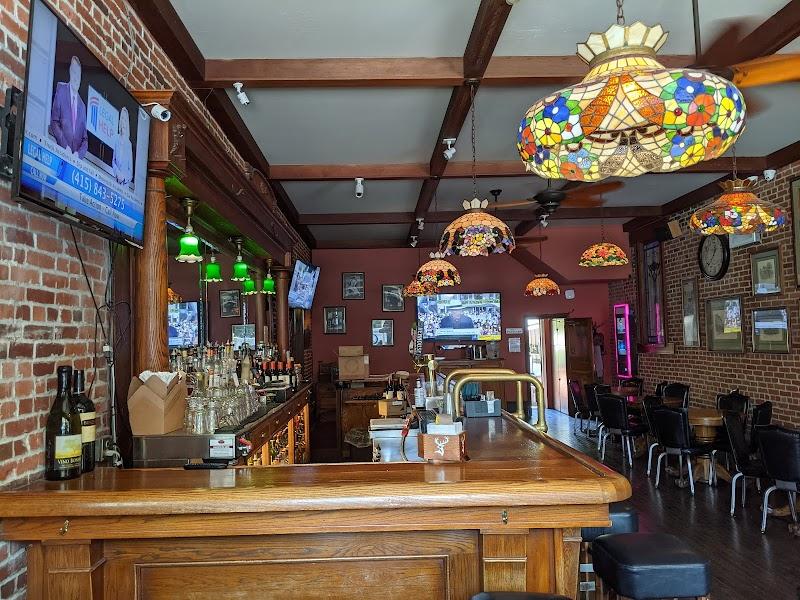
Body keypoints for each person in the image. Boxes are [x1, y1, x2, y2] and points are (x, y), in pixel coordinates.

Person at [49, 56, 88, 159]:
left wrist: (78, 155)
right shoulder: (61, 89)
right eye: (74, 73)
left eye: (78, 75)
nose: (76, 78)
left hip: (74, 161)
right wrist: (65, 147)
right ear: (70, 72)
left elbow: (85, 140)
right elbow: (54, 122)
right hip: (59, 153)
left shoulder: (82, 107)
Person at [112, 106, 133, 185]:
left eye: (125, 120)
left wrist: (124, 178)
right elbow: (113, 161)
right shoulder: (116, 139)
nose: (123, 123)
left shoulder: (129, 144)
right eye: (122, 119)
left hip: (124, 185)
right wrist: (117, 173)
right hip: (115, 180)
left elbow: (130, 170)